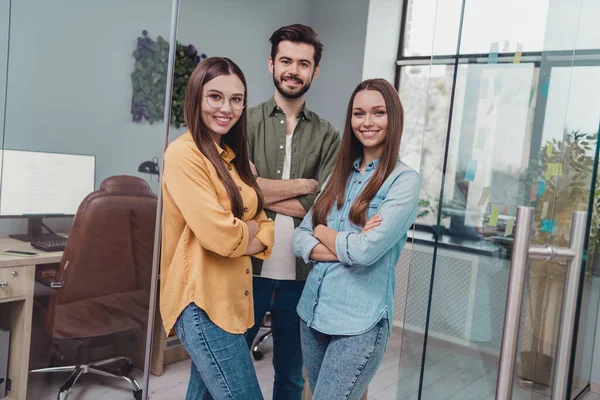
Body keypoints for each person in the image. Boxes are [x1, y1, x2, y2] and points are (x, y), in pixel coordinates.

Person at [293, 78, 421, 399]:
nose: (367, 122)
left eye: (378, 113)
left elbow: (366, 252)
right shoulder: (342, 174)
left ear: (393, 119)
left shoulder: (403, 181)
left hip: (359, 324)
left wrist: (322, 232)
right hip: (313, 312)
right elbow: (300, 239)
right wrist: (344, 242)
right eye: (358, 113)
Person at [160, 57, 274, 400]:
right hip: (202, 303)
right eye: (216, 97)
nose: (227, 108)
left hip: (232, 301)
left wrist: (249, 230)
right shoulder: (184, 155)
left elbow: (268, 228)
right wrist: (251, 231)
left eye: (236, 99)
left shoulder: (233, 159)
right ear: (197, 98)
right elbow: (221, 236)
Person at [245, 24, 340, 399]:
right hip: (245, 272)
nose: (293, 70)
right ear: (271, 64)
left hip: (302, 281)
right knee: (225, 370)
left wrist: (259, 190)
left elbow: (324, 208)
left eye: (303, 63)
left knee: (291, 379)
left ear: (314, 71)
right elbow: (235, 195)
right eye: (286, 60)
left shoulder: (329, 135)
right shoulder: (243, 123)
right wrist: (305, 185)